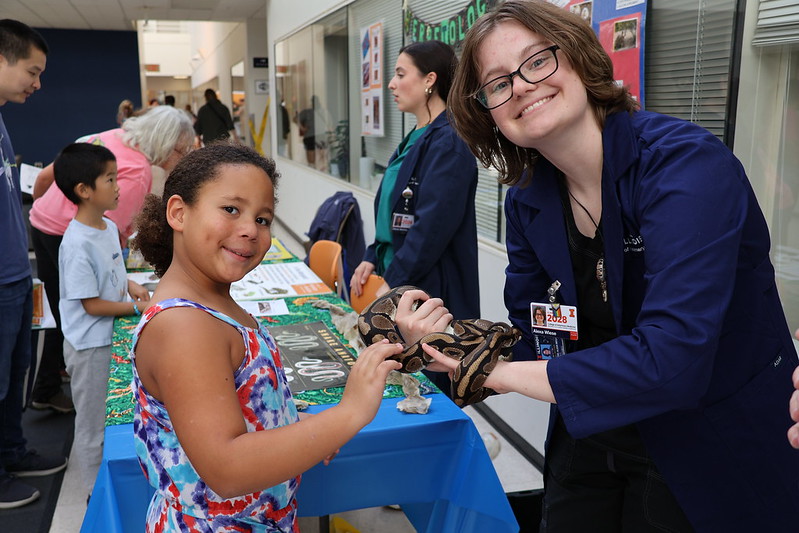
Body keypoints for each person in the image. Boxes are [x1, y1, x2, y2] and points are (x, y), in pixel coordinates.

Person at [418, 1, 799, 531]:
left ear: (579, 59)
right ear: (490, 115)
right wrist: (446, 341)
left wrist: (496, 373)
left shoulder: (684, 165)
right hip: (592, 435)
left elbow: (675, 355)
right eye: (498, 83)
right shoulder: (529, 199)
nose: (522, 86)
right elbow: (539, 336)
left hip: (705, 435)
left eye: (536, 62)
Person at [130, 143, 402, 530]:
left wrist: (305, 432)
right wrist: (349, 413)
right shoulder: (184, 326)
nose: (249, 230)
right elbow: (227, 468)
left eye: (263, 219)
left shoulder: (215, 301)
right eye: (231, 210)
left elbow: (242, 404)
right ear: (178, 212)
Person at [27, 105, 194, 414]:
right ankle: (51, 384)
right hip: (67, 235)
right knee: (76, 308)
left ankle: (53, 375)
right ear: (167, 143)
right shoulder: (138, 170)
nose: (180, 160)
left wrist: (43, 206)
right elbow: (110, 233)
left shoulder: (113, 136)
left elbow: (48, 174)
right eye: (181, 152)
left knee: (60, 304)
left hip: (42, 223)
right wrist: (123, 279)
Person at [350, 40, 479, 394]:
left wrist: (391, 287)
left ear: (429, 81)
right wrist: (371, 256)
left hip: (429, 289)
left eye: (400, 74)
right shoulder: (415, 137)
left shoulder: (450, 141)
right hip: (399, 281)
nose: (391, 84)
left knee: (428, 383)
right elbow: (395, 211)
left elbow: (430, 229)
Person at [53, 142, 149, 495]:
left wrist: (131, 284)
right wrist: (138, 308)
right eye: (110, 179)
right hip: (90, 346)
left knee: (114, 415)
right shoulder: (76, 243)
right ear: (84, 191)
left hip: (110, 336)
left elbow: (112, 270)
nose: (119, 186)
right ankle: (96, 492)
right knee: (93, 423)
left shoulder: (106, 227)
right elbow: (91, 304)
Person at [0, 18, 68, 510]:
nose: (38, 84)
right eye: (32, 70)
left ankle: (13, 452)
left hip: (15, 275)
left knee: (14, 376)